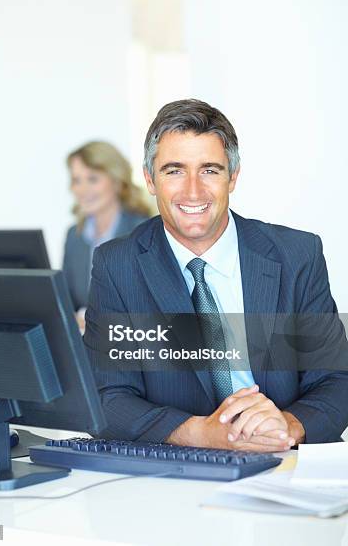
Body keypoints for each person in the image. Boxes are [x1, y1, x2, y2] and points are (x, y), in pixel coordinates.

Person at [84, 99, 348, 451]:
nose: (193, 191)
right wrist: (199, 433)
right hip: (176, 470)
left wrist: (288, 424)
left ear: (233, 177)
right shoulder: (118, 265)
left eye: (210, 170)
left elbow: (336, 380)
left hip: (283, 460)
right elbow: (106, 396)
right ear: (149, 179)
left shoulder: (297, 255)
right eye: (174, 170)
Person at [63, 140, 152, 332]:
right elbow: (67, 301)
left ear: (117, 181)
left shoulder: (144, 232)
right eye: (76, 180)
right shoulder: (74, 236)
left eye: (92, 179)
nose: (82, 190)